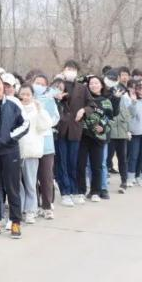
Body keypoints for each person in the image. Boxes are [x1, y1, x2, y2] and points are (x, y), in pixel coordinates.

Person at [0, 71, 29, 239]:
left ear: (3, 86)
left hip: (10, 151)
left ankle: (15, 222)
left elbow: (25, 124)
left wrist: (10, 137)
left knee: (12, 187)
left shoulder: (14, 103)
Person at [17, 83, 55, 223]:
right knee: (17, 184)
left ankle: (30, 211)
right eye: (22, 94)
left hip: (31, 151)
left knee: (30, 183)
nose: (25, 97)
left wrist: (40, 111)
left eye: (28, 94)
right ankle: (19, 209)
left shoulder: (38, 110)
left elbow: (45, 125)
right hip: (16, 151)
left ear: (33, 96)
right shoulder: (15, 108)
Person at [55, 60, 89, 207]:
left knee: (73, 161)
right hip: (60, 128)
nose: (70, 71)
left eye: (73, 69)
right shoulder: (56, 85)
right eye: (68, 68)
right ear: (63, 70)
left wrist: (83, 110)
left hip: (75, 129)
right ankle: (65, 192)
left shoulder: (82, 88)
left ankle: (75, 190)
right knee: (62, 162)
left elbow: (92, 104)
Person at [77, 75, 114, 202]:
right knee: (81, 164)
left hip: (98, 137)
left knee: (97, 165)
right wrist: (83, 79)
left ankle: (96, 191)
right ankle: (81, 191)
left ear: (102, 85)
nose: (93, 85)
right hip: (83, 135)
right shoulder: (84, 99)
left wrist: (102, 127)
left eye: (96, 83)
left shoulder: (106, 101)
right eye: (91, 83)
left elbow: (110, 118)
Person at [29, 73, 60, 218]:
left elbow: (55, 118)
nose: (39, 86)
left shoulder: (49, 100)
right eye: (37, 83)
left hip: (46, 144)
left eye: (43, 84)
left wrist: (42, 122)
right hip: (30, 144)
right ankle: (34, 205)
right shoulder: (27, 98)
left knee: (46, 176)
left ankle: (47, 206)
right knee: (31, 178)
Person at [107, 67, 131, 193]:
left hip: (121, 130)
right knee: (107, 158)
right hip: (109, 131)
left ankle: (124, 182)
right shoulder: (106, 92)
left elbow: (128, 112)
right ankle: (104, 181)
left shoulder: (123, 92)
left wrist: (128, 129)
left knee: (122, 158)